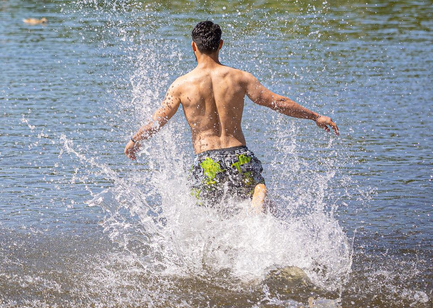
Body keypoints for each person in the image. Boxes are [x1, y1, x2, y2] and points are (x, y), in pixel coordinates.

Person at [124, 21, 338, 212]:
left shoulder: (181, 85)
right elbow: (278, 102)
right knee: (260, 197)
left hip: (206, 160)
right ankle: (258, 198)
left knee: (210, 216)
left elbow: (157, 120)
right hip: (239, 156)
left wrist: (136, 140)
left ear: (193, 47)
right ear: (220, 45)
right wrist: (315, 116)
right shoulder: (239, 78)